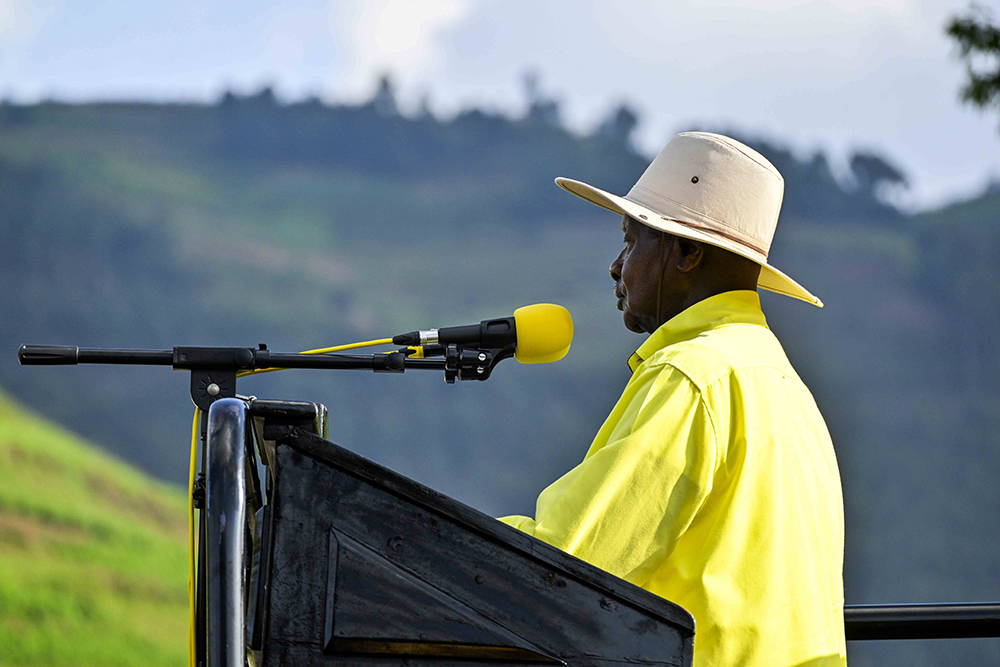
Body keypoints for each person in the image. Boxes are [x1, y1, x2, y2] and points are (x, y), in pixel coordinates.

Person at [499, 132, 846, 667]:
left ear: (684, 252)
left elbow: (566, 560)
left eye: (631, 241)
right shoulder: (789, 390)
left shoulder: (690, 376)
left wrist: (418, 536)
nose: (617, 267)